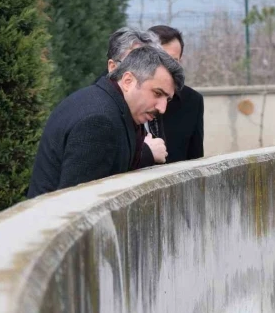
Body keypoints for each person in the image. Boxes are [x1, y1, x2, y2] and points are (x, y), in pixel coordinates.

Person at [27, 46, 184, 198]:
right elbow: (78, 205)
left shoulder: (103, 103)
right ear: (128, 81)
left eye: (167, 99)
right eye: (157, 93)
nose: (162, 108)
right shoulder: (99, 121)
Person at [105, 27, 169, 166]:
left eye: (147, 64)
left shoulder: (155, 102)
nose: (141, 71)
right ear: (112, 67)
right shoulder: (101, 111)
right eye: (132, 63)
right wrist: (146, 153)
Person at [148, 25, 205, 161]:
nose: (167, 68)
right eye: (161, 59)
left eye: (173, 61)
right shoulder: (128, 97)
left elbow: (195, 159)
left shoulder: (193, 101)